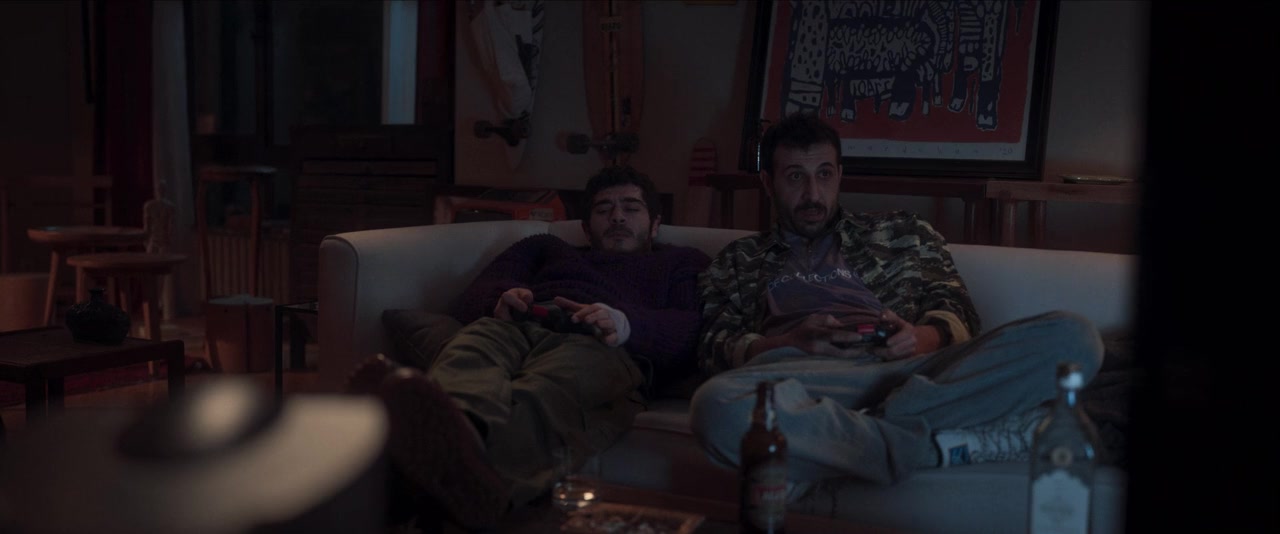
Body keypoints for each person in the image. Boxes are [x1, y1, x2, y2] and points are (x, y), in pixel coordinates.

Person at [690, 113, 1104, 491]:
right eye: (795, 177)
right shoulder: (738, 259)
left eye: (825, 174)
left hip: (912, 372)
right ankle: (923, 444)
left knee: (1073, 338)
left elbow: (958, 308)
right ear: (767, 182)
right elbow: (713, 347)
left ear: (840, 175)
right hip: (803, 378)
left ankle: (830, 442)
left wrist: (920, 337)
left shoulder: (903, 231)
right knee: (715, 406)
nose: (813, 193)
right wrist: (790, 342)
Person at [346, 166, 711, 530]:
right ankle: (460, 435)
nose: (617, 216)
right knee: (470, 352)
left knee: (545, 388)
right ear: (586, 228)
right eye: (604, 209)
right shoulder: (545, 247)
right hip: (520, 324)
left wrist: (626, 323)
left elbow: (692, 328)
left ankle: (418, 475)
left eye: (631, 208)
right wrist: (500, 299)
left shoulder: (681, 262)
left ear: (655, 224)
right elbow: (474, 294)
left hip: (600, 342)